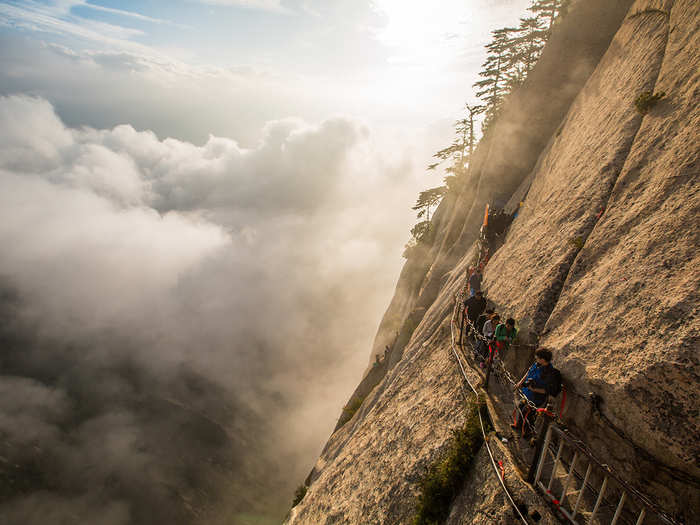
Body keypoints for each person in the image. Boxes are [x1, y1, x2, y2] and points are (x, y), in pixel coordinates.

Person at [512, 348, 559, 436]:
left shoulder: (549, 373)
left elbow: (547, 390)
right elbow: (528, 372)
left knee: (528, 414)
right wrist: (519, 383)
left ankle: (526, 433)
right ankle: (518, 426)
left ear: (543, 359)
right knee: (521, 407)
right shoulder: (537, 364)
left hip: (536, 398)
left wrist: (534, 389)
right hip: (527, 394)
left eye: (537, 358)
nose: (535, 359)